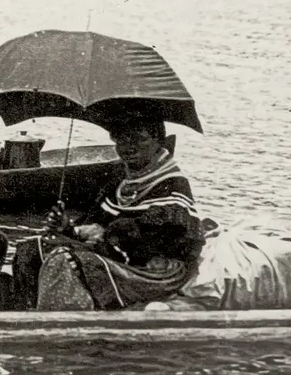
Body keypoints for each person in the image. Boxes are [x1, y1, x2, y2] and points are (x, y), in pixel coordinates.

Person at [11, 107, 205, 311]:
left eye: (139, 139)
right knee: (32, 250)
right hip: (112, 255)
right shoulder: (120, 179)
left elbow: (169, 242)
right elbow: (95, 223)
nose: (129, 147)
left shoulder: (173, 184)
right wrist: (68, 228)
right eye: (122, 140)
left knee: (66, 261)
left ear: (158, 141)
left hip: (152, 271)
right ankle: (27, 316)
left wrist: (109, 237)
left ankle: (65, 325)